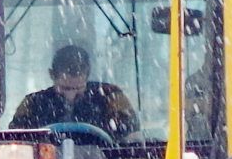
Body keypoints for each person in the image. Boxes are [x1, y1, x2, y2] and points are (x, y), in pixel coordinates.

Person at [10, 43, 139, 137]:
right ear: (52, 75)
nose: (70, 96)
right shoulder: (32, 103)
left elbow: (132, 134)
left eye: (78, 88)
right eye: (65, 88)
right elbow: (15, 140)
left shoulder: (111, 96)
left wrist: (128, 151)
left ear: (87, 76)